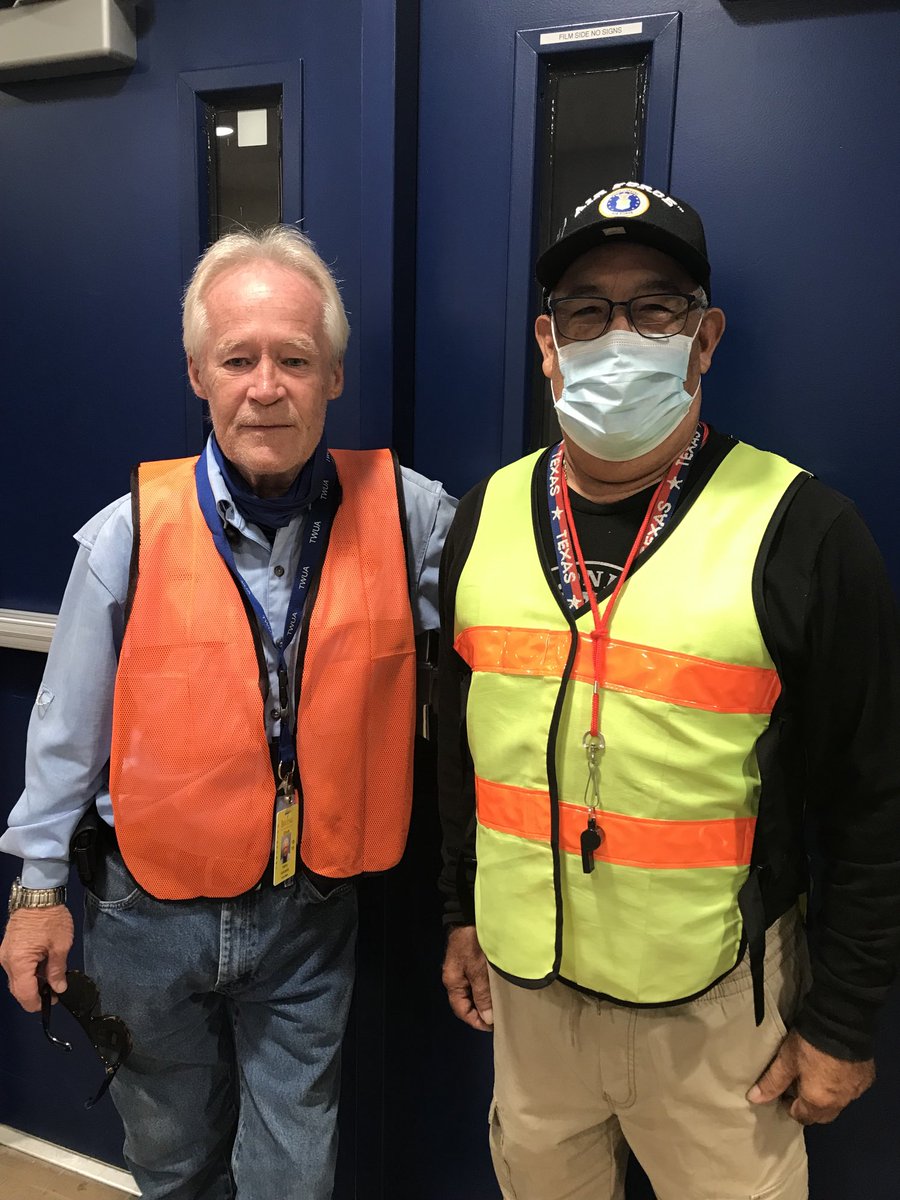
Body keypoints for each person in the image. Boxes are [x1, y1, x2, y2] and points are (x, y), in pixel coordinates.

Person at [438, 181, 900, 1200]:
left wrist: (843, 1018)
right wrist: (458, 908)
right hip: (529, 997)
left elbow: (875, 798)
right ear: (547, 344)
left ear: (704, 338)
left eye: (654, 308)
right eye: (588, 311)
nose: (619, 336)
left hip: (719, 1019)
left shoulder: (805, 531)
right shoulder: (483, 518)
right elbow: (461, 747)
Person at [0, 225, 455, 1200]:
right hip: (145, 913)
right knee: (172, 1164)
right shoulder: (126, 534)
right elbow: (66, 735)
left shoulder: (409, 515)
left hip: (313, 909)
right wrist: (38, 896)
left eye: (294, 359)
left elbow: (512, 616)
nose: (266, 386)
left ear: (333, 374)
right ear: (198, 374)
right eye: (238, 359)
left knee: (293, 1174)